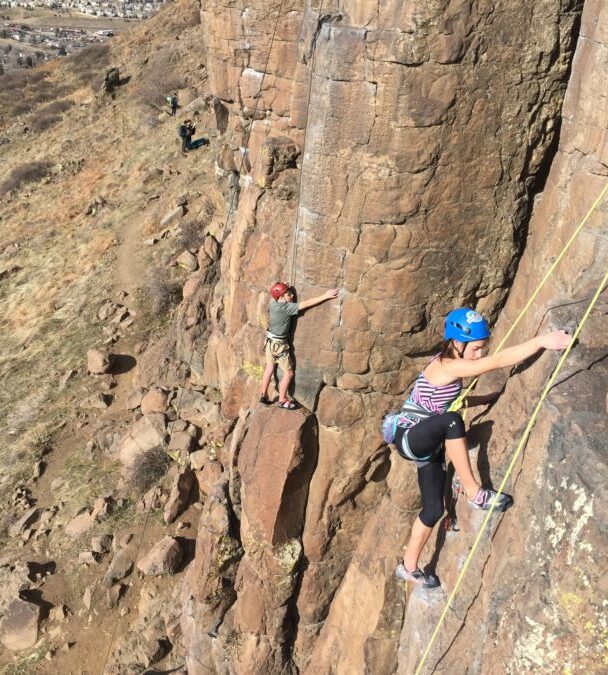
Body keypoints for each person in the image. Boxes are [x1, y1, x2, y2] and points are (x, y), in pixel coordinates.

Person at [390, 307, 572, 588]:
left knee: (433, 510)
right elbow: (496, 362)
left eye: (481, 349)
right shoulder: (447, 366)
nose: (479, 354)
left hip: (427, 440)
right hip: (411, 437)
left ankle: (409, 567)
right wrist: (541, 341)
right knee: (452, 423)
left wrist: (484, 398)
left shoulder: (451, 364)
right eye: (475, 349)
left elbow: (445, 402)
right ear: (456, 343)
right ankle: (475, 494)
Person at [260, 282, 339, 409]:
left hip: (269, 343)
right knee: (289, 373)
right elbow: (306, 304)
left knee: (269, 368)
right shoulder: (287, 308)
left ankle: (263, 395)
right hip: (279, 346)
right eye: (288, 294)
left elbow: (276, 294)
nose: (291, 295)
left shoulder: (273, 304)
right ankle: (282, 399)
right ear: (280, 297)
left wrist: (283, 287)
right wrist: (325, 296)